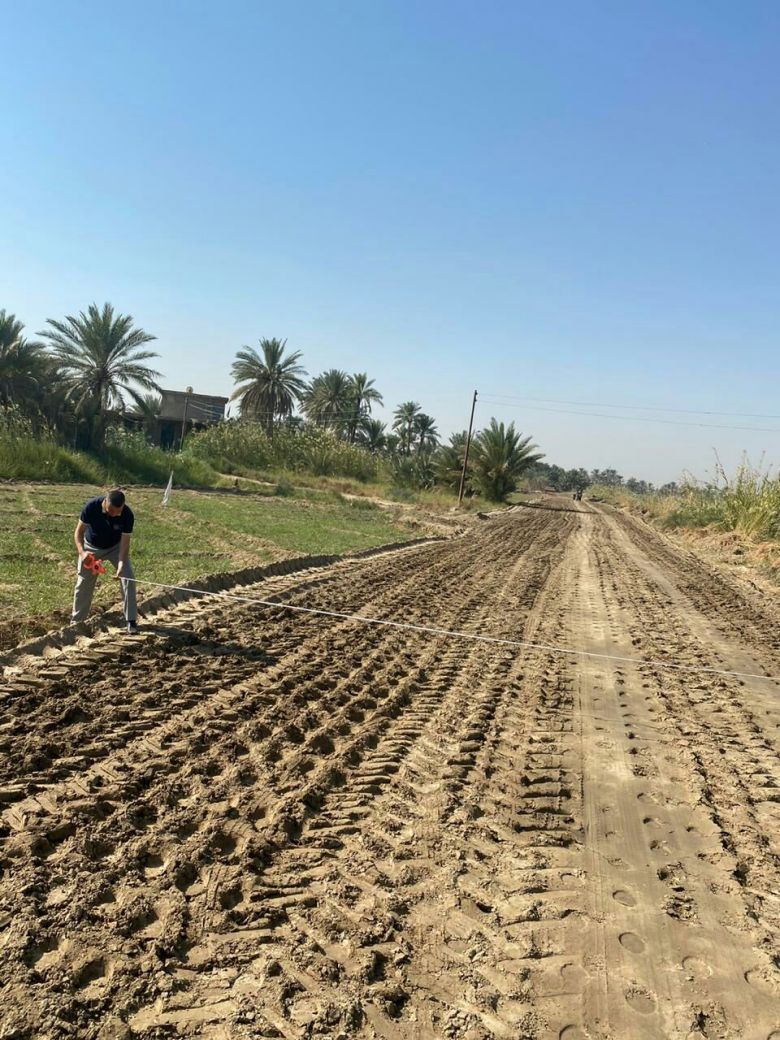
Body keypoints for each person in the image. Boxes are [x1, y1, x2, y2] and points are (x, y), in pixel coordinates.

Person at [71, 488, 138, 633]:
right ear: (105, 502)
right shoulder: (92, 506)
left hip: (115, 547)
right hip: (91, 547)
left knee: (128, 578)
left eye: (118, 511)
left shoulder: (127, 514)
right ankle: (76, 623)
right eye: (112, 510)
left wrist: (121, 564)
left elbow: (125, 543)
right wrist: (82, 553)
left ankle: (131, 621)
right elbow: (78, 532)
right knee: (83, 583)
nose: (115, 514)